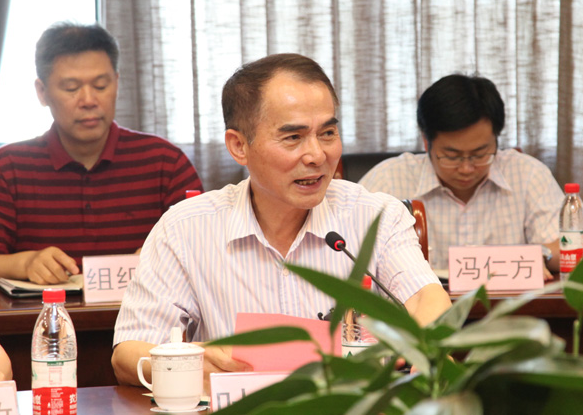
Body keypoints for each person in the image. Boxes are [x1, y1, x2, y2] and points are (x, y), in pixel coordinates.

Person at [111, 53, 451, 388]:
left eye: (328, 133)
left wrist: (420, 347)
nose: (317, 155)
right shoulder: (185, 228)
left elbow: (427, 299)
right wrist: (192, 357)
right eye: (293, 137)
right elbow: (128, 355)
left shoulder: (377, 216)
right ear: (239, 146)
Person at [0, 22, 203, 286]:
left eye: (101, 86)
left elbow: (206, 249)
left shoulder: (166, 163)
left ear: (117, 83)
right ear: (42, 92)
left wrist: (165, 256)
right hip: (45, 313)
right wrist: (25, 263)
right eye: (71, 88)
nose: (89, 100)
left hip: (145, 312)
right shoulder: (5, 169)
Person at [359, 74, 563, 278]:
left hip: (509, 298)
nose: (466, 168)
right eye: (452, 156)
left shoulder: (528, 174)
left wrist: (539, 255)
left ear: (496, 139)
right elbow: (349, 252)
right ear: (426, 142)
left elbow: (569, 246)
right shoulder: (388, 179)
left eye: (480, 154)